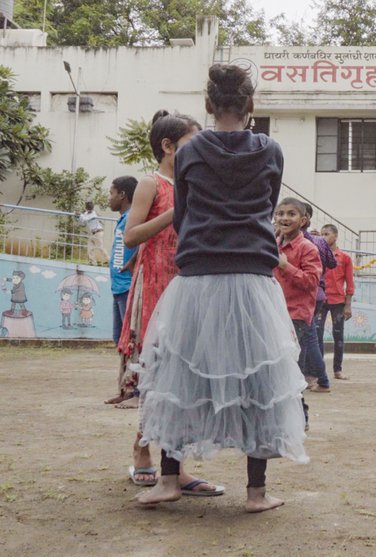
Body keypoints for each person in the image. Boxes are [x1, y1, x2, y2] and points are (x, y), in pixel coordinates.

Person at [136, 64, 308, 512]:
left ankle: (169, 479)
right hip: (253, 276)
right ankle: (256, 493)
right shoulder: (270, 150)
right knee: (259, 376)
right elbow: (267, 207)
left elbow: (184, 213)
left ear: (208, 106)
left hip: (198, 275)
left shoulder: (190, 152)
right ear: (250, 106)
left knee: (181, 372)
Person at [118, 110, 221, 499]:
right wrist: (174, 212)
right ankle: (142, 449)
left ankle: (175, 468)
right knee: (154, 376)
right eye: (193, 143)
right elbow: (131, 237)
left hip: (190, 288)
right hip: (156, 286)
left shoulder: (198, 183)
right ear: (167, 146)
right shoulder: (151, 184)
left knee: (183, 378)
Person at [273, 198, 323, 429]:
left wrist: (286, 266)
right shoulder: (273, 243)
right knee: (274, 365)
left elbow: (312, 282)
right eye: (280, 213)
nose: (284, 218)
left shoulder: (307, 248)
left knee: (290, 365)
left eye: (291, 214)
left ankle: (301, 414)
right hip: (272, 312)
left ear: (303, 221)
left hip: (296, 316)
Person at [105, 176, 139, 405]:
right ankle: (123, 388)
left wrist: (132, 263)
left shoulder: (133, 219)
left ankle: (133, 391)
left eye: (111, 193)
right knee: (119, 339)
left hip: (128, 287)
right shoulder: (122, 220)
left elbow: (146, 240)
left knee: (130, 340)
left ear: (123, 195)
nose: (109, 198)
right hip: (118, 288)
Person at [299, 204, 335, 392]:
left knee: (308, 337)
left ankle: (318, 378)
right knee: (310, 336)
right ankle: (313, 377)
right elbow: (332, 262)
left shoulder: (301, 241)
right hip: (318, 292)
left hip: (305, 293)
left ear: (303, 218)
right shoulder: (319, 241)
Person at [321, 223, 355, 380]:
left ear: (335, 236)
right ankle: (318, 370)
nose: (323, 237)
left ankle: (337, 370)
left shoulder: (345, 258)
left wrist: (348, 305)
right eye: (321, 234)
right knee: (316, 333)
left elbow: (350, 282)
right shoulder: (317, 255)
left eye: (327, 234)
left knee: (338, 335)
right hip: (320, 299)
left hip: (337, 300)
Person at [78, 201, 110, 266]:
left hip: (98, 232)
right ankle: (93, 262)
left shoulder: (93, 214)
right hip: (91, 233)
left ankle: (109, 260)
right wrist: (78, 217)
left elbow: (85, 219)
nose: (89, 209)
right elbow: (83, 222)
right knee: (90, 248)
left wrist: (80, 215)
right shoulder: (86, 213)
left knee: (100, 248)